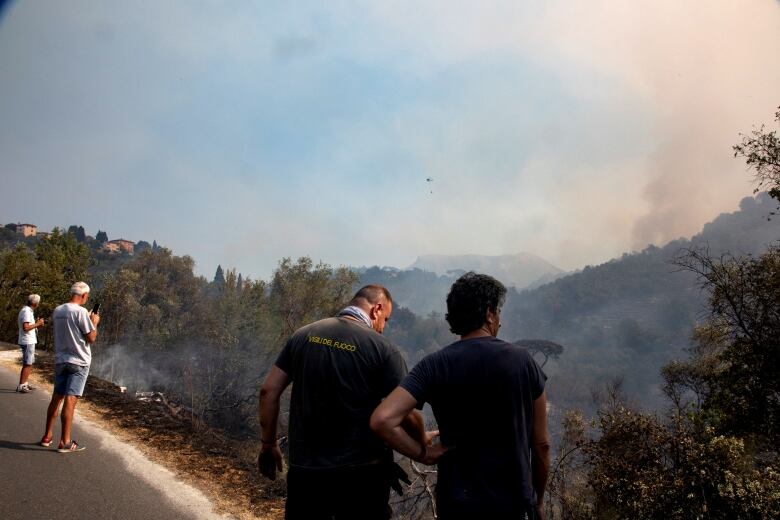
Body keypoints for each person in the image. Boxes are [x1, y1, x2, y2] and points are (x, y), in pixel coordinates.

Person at [371, 272, 551, 520]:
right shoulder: (523, 362)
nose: (500, 320)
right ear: (489, 313)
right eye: (498, 311)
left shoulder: (434, 365)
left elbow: (382, 420)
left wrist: (422, 454)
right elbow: (541, 444)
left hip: (457, 505)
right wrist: (538, 501)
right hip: (514, 505)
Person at [258, 285, 435, 520]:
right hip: (362, 476)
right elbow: (408, 414)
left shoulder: (303, 335)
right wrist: (421, 441)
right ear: (377, 309)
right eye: (386, 319)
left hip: (306, 472)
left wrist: (269, 444)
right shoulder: (384, 349)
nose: (384, 327)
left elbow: (268, 391)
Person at [39, 281, 100, 453]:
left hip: (61, 359)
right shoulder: (81, 312)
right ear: (84, 296)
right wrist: (94, 321)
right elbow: (91, 338)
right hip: (79, 362)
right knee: (70, 401)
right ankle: (65, 442)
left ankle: (47, 436)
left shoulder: (58, 310)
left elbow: (70, 329)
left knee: (56, 397)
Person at [17, 294, 44, 393]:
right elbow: (26, 327)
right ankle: (22, 385)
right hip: (28, 341)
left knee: (29, 362)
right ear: (35, 303)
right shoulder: (27, 312)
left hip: (28, 340)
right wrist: (38, 323)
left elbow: (28, 326)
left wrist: (36, 325)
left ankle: (25, 383)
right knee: (27, 363)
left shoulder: (27, 311)